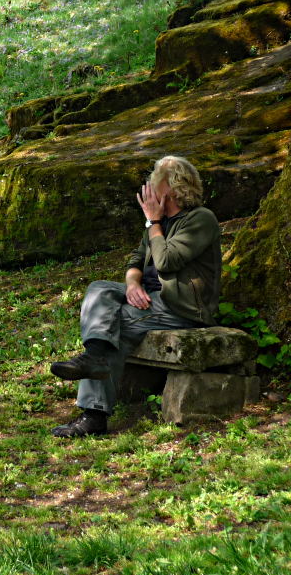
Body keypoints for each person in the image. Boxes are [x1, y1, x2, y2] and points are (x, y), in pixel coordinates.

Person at [49, 156, 221, 437]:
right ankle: (95, 358)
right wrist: (132, 283)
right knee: (99, 289)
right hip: (151, 299)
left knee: (113, 325)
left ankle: (94, 415)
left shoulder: (200, 219)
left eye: (155, 187)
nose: (148, 193)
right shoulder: (159, 223)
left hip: (182, 308)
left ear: (172, 190)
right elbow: (136, 259)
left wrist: (152, 221)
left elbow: (167, 261)